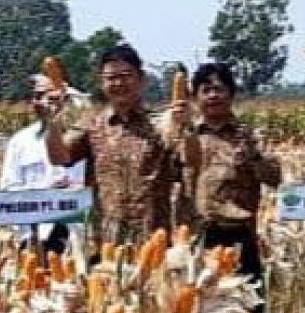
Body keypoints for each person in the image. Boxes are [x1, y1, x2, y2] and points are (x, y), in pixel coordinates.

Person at [190, 62, 283, 313]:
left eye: (220, 89)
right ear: (196, 96)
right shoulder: (186, 136)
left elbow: (275, 177)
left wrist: (255, 158)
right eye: (206, 89)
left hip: (238, 235)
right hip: (199, 238)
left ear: (231, 94)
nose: (213, 96)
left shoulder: (248, 136)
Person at [45, 44, 197, 246]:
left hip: (153, 241)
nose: (118, 83)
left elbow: (193, 161)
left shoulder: (162, 125)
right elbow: (59, 157)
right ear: (101, 82)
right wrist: (50, 120)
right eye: (111, 78)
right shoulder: (92, 124)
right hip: (105, 240)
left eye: (126, 76)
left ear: (141, 79)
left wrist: (187, 126)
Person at [2, 74, 87, 253]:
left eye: (51, 96)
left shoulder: (86, 136)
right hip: (34, 234)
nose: (44, 101)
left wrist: (73, 189)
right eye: (38, 96)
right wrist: (44, 194)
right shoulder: (20, 141)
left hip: (78, 236)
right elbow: (9, 190)